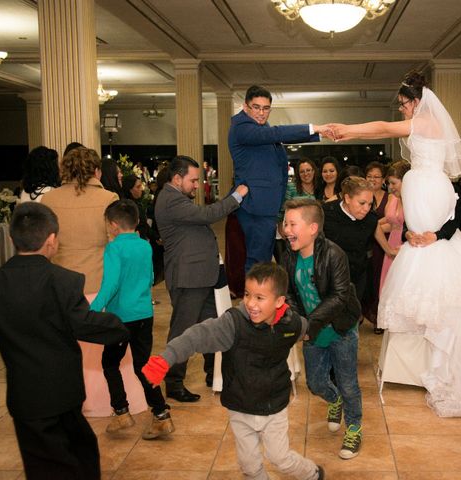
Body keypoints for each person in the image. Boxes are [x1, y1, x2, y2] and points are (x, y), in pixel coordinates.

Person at [328, 70, 461, 417]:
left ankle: (441, 351)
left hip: (429, 186)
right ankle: (420, 349)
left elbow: (381, 126)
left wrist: (347, 130)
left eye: (405, 104)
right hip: (426, 187)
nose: (403, 110)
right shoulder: (425, 134)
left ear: (419, 101)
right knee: (421, 246)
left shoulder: (424, 124)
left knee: (433, 250)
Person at [142, 262, 324, 480]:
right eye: (247, 294)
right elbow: (197, 336)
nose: (250, 303)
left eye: (259, 297)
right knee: (250, 466)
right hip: (240, 406)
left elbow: (306, 329)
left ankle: (312, 473)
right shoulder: (232, 325)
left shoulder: (291, 324)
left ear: (279, 302)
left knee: (280, 459)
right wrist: (166, 359)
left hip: (274, 406)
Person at [0, 202, 128, 479]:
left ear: (11, 239)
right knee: (79, 456)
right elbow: (85, 324)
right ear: (52, 240)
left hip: (25, 397)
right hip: (62, 391)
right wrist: (119, 326)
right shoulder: (62, 280)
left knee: (41, 462)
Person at [42, 147, 145, 417]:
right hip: (101, 281)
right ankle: (108, 402)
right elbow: (117, 242)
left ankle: (72, 400)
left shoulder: (49, 199)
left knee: (68, 350)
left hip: (63, 283)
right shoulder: (107, 198)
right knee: (107, 348)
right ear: (95, 170)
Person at [154, 155, 248, 402]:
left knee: (211, 327)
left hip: (201, 276)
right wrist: (236, 196)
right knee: (182, 332)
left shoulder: (176, 198)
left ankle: (212, 374)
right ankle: (173, 383)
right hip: (188, 278)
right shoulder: (170, 200)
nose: (197, 185)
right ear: (177, 178)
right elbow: (208, 215)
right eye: (193, 180)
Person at [281, 198, 363, 459]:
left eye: (292, 224)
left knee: (349, 383)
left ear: (313, 228)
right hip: (313, 332)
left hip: (341, 329)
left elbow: (339, 297)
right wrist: (299, 322)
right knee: (316, 383)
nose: (286, 229)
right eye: (285, 223)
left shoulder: (334, 254)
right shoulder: (288, 256)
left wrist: (309, 324)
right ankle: (334, 399)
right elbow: (290, 293)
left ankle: (354, 428)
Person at [90, 200, 174, 439]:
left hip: (120, 317)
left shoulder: (114, 248)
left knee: (109, 363)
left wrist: (93, 309)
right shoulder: (145, 246)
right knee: (143, 366)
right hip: (144, 315)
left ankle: (121, 412)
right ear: (136, 222)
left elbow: (111, 284)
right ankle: (161, 415)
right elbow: (149, 278)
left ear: (114, 226)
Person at [229, 84, 330, 273]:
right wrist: (313, 128)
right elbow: (276, 133)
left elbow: (278, 139)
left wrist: (319, 134)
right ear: (245, 107)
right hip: (255, 205)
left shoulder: (258, 126)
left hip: (266, 205)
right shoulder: (241, 127)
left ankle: (260, 299)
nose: (261, 113)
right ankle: (255, 300)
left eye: (266, 108)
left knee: (263, 260)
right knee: (257, 262)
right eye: (256, 107)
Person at [323, 176, 378, 302]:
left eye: (370, 204)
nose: (366, 209)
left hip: (357, 275)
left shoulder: (371, 219)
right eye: (362, 203)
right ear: (347, 198)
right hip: (330, 277)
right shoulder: (326, 214)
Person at [361, 161, 389, 330]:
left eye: (377, 177)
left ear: (383, 179)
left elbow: (394, 222)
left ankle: (379, 318)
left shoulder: (390, 197)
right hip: (364, 245)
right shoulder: (362, 196)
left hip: (383, 245)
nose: (373, 180)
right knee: (366, 281)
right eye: (369, 176)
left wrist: (372, 227)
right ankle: (363, 314)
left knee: (381, 281)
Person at [375, 160, 409, 297]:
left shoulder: (413, 200)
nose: (390, 187)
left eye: (394, 183)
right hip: (391, 246)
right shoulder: (392, 198)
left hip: (406, 246)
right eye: (389, 183)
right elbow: (391, 224)